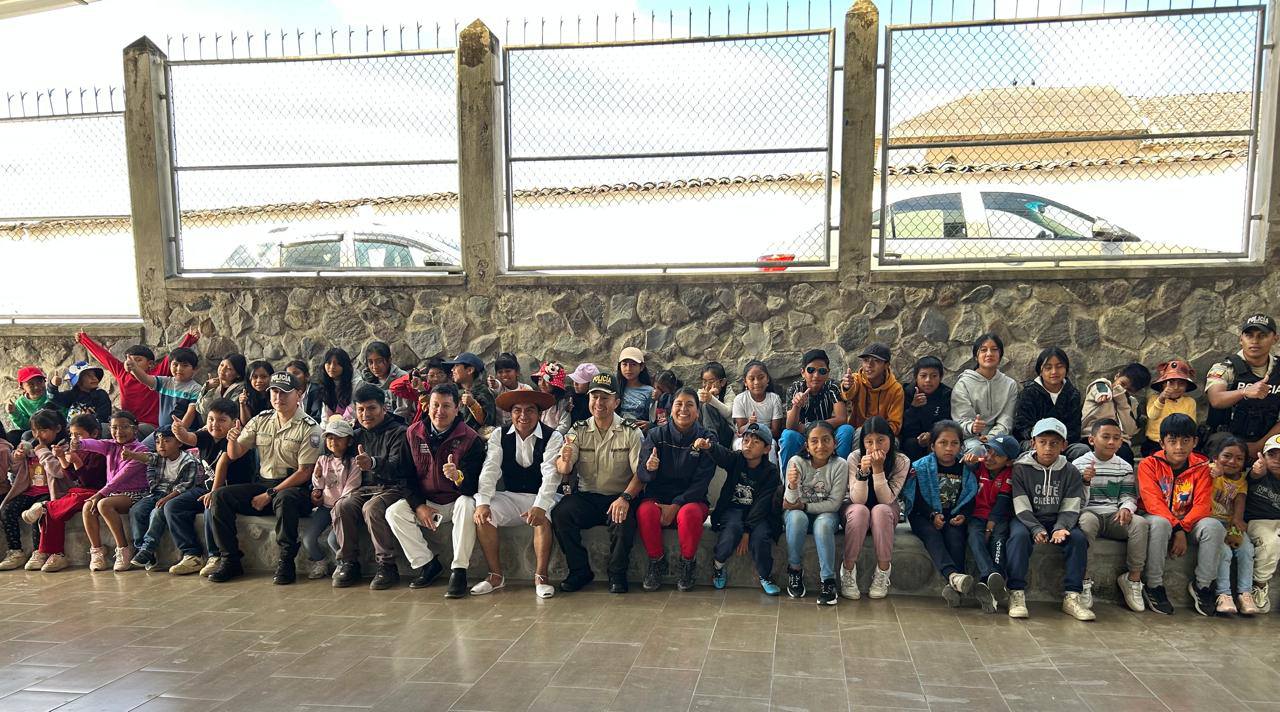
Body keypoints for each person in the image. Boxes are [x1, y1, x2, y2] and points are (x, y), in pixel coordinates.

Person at [212, 372, 324, 585]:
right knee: (221, 496)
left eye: (284, 393)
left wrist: (269, 494)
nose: (278, 397)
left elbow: (304, 472)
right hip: (264, 483)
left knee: (285, 498)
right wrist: (232, 439)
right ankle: (230, 559)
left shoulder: (310, 428)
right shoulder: (261, 420)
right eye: (274, 392)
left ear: (299, 394)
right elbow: (235, 454)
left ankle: (286, 561)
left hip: (295, 488)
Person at [458, 388, 564, 598]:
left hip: (544, 496)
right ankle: (496, 575)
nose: (523, 416)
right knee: (484, 515)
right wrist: (483, 502)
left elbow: (551, 475)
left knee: (543, 516)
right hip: (512, 495)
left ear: (539, 413)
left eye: (530, 410)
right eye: (517, 410)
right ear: (511, 413)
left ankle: (541, 577)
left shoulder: (553, 436)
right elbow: (490, 468)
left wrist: (540, 506)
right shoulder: (499, 435)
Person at [384, 383, 486, 597]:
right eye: (435, 405)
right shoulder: (412, 433)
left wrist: (458, 477)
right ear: (427, 407)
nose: (440, 411)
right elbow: (404, 476)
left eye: (446, 406)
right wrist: (419, 506)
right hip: (428, 501)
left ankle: (459, 570)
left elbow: (475, 485)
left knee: (467, 505)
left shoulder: (470, 438)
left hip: (456, 500)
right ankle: (427, 564)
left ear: (457, 408)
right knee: (394, 512)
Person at [551, 372, 643, 594]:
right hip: (588, 497)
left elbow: (640, 474)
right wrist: (564, 462)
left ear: (616, 402)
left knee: (623, 521)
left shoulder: (631, 431)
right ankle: (579, 571)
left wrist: (625, 498)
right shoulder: (578, 429)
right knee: (561, 514)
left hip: (619, 496)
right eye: (594, 397)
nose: (598, 403)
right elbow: (564, 466)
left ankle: (617, 574)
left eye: (605, 398)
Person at [1137, 413, 1224, 616]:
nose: (1179, 447)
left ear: (1195, 442)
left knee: (1214, 527)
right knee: (1160, 523)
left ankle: (1203, 586)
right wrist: (1177, 529)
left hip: (1189, 521)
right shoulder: (1148, 465)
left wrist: (1182, 528)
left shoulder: (1202, 467)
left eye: (1186, 441)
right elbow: (1153, 503)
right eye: (1172, 441)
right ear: (1162, 443)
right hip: (1157, 517)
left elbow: (1202, 505)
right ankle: (1154, 585)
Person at [1006, 418, 1093, 621]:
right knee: (1018, 537)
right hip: (1027, 518)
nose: (1048, 448)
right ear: (1033, 443)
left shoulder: (1070, 471)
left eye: (1054, 443)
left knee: (1078, 539)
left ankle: (1072, 596)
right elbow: (1020, 504)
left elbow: (1071, 505)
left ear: (1063, 445)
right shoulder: (1020, 469)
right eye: (1042, 442)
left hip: (1058, 519)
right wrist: (1035, 528)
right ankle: (1016, 592)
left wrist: (1060, 527)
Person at [333, 384, 414, 590]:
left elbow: (398, 467)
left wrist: (373, 463)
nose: (365, 414)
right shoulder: (355, 435)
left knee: (372, 508)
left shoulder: (399, 432)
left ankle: (387, 565)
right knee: (342, 506)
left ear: (383, 408)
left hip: (394, 487)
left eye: (371, 408)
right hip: (364, 489)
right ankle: (349, 563)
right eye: (360, 409)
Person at [636, 387, 717, 592]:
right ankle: (656, 561)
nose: (683, 409)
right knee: (645, 512)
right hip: (658, 498)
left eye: (690, 405)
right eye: (678, 404)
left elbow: (702, 482)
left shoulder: (706, 439)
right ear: (671, 409)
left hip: (692, 499)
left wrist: (676, 504)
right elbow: (642, 475)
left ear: (697, 411)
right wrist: (650, 468)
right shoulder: (656, 435)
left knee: (689, 514)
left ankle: (688, 564)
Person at [164, 398, 256, 576]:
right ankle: (192, 554)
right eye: (211, 419)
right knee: (173, 506)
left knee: (211, 507)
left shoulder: (238, 439)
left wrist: (213, 493)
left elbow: (223, 462)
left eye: (222, 420)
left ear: (234, 422)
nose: (215, 424)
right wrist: (179, 431)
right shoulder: (206, 435)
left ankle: (215, 555)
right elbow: (189, 438)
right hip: (207, 488)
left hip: (230, 493)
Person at [695, 423, 781, 594]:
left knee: (761, 537)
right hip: (732, 510)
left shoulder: (771, 472)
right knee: (732, 529)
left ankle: (765, 575)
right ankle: (718, 565)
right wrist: (709, 447)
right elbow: (723, 455)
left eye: (755, 442)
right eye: (746, 440)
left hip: (759, 515)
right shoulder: (736, 459)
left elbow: (762, 504)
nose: (748, 445)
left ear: (767, 449)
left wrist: (747, 531)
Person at [1073, 418, 1147, 613]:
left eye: (1116, 438)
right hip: (1090, 512)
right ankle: (1084, 580)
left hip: (1114, 516)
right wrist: (1085, 482)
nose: (1111, 442)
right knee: (1087, 521)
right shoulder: (1078, 465)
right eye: (1105, 437)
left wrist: (1126, 508)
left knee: (1140, 523)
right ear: (1092, 440)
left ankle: (1133, 579)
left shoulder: (1124, 467)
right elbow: (1075, 502)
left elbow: (1128, 495)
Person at [902, 420, 978, 608]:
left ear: (961, 446)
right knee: (932, 535)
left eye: (954, 443)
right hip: (923, 515)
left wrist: (963, 515)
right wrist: (932, 515)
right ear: (932, 445)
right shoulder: (921, 467)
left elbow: (970, 496)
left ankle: (955, 586)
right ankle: (953, 575)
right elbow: (916, 499)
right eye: (943, 443)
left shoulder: (965, 469)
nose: (949, 448)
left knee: (955, 537)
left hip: (952, 515)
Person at [25, 413, 108, 572]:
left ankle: (44, 506)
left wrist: (76, 461)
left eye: (78, 435)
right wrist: (63, 458)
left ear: (94, 433)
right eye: (72, 435)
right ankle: (55, 553)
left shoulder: (100, 452)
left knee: (63, 504)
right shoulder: (79, 450)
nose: (74, 439)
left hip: (98, 491)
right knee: (58, 508)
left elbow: (89, 481)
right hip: (79, 491)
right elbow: (72, 478)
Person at [840, 416, 911, 601]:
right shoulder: (855, 457)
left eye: (881, 440)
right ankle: (847, 570)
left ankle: (883, 572)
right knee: (860, 511)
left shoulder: (901, 460)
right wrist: (863, 473)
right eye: (869, 442)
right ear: (862, 443)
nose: (875, 447)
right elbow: (857, 500)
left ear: (891, 439)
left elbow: (886, 500)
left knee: (880, 510)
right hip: (855, 511)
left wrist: (878, 470)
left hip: (885, 511)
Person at [76, 328, 200, 429]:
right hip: (126, 424)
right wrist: (83, 339)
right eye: (129, 360)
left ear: (150, 364)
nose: (132, 363)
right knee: (101, 429)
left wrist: (189, 339)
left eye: (138, 360)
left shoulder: (158, 375)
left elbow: (174, 357)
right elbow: (105, 357)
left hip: (149, 426)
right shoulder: (122, 372)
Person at [76, 410, 151, 572]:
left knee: (104, 504)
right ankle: (97, 551)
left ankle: (123, 549)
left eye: (124, 427)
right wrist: (79, 444)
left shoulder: (141, 450)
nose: (119, 432)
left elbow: (121, 477)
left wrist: (100, 493)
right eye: (114, 427)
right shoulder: (110, 445)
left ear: (135, 429)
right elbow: (93, 444)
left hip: (136, 493)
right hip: (112, 493)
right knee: (88, 506)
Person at [782, 421, 848, 605]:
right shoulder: (796, 462)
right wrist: (792, 485)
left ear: (835, 443)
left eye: (826, 440)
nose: (820, 446)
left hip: (826, 513)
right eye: (814, 441)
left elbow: (834, 504)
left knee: (823, 524)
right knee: (796, 518)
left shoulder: (840, 465)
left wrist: (805, 506)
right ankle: (794, 570)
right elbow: (790, 503)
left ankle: (828, 580)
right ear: (807, 446)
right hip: (797, 513)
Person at [121, 426, 203, 571]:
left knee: (157, 512)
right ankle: (143, 551)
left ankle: (148, 548)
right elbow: (147, 457)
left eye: (167, 441)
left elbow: (186, 486)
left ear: (179, 442)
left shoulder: (189, 461)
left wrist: (167, 498)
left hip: (176, 495)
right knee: (137, 510)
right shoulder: (159, 458)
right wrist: (132, 455)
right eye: (158, 442)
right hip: (157, 493)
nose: (161, 445)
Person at [1205, 314, 1280, 457]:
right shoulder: (1224, 368)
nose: (1255, 341)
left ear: (1275, 339)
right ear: (1241, 339)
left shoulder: (1278, 370)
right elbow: (1216, 399)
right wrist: (1245, 392)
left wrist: (1260, 445)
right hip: (1226, 444)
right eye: (1249, 335)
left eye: (1262, 336)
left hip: (1268, 442)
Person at [0, 410, 65, 570]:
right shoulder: (30, 447)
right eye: (35, 431)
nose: (38, 435)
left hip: (50, 493)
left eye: (43, 430)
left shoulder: (61, 447)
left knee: (37, 512)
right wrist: (17, 458)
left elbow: (59, 471)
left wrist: (42, 451)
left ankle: (39, 552)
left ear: (57, 429)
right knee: (7, 510)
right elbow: (16, 470)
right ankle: (16, 551)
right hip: (30, 491)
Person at [964, 434, 1020, 613]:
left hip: (999, 517)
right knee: (975, 537)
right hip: (977, 516)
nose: (989, 457)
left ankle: (989, 581)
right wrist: (969, 461)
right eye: (988, 451)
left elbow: (1003, 501)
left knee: (998, 541)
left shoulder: (1009, 473)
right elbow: (965, 466)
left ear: (1009, 461)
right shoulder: (979, 466)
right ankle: (990, 575)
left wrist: (991, 524)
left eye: (998, 455)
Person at [780, 349, 854, 470]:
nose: (816, 375)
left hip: (826, 434)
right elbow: (790, 426)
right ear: (803, 372)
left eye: (822, 371)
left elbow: (842, 418)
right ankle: (789, 478)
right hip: (802, 437)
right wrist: (797, 406)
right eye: (811, 370)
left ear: (828, 373)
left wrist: (810, 427)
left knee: (846, 430)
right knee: (788, 436)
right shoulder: (795, 388)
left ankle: (839, 473)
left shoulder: (832, 386)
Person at [306, 417, 359, 581]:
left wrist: (339, 505)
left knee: (333, 540)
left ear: (349, 441)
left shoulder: (353, 463)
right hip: (325, 507)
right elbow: (319, 486)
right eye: (329, 437)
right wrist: (317, 481)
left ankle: (344, 564)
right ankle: (320, 561)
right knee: (308, 539)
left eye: (338, 437)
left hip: (342, 510)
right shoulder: (323, 460)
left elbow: (351, 487)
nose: (333, 441)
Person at [1208, 436, 1256, 615]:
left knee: (1247, 550)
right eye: (1227, 456)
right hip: (1211, 522)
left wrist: (1237, 521)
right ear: (1216, 457)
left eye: (1239, 458)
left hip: (1230, 523)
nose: (1232, 462)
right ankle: (1223, 594)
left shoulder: (1242, 481)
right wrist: (1212, 472)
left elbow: (1240, 500)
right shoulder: (1210, 472)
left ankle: (1245, 593)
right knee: (1225, 552)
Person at [1013, 347, 1088, 460]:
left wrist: (1057, 443)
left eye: (1059, 367)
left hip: (1062, 444)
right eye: (1048, 368)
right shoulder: (1029, 393)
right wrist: (1044, 440)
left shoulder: (1072, 394)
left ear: (1066, 369)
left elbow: (1074, 429)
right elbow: (1022, 426)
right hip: (1036, 442)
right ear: (1040, 371)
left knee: (1082, 450)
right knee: (1032, 449)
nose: (1054, 372)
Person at [952, 333, 1018, 456]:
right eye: (983, 350)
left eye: (994, 350)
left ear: (1000, 355)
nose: (989, 354)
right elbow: (960, 420)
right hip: (971, 438)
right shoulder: (963, 384)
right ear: (976, 357)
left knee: (1011, 448)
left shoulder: (1010, 385)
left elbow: (1006, 420)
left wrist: (990, 437)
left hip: (999, 438)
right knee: (978, 450)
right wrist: (972, 427)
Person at [1081, 362, 1151, 466]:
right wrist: (1104, 395)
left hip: (1118, 443)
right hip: (1091, 437)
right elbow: (1100, 389)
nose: (1123, 390)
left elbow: (1130, 430)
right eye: (1122, 384)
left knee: (1125, 453)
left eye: (1129, 390)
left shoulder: (1132, 403)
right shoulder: (1102, 386)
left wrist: (1122, 401)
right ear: (1117, 376)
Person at [125, 346, 202, 440]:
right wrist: (134, 368)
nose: (179, 369)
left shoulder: (196, 388)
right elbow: (145, 378)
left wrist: (181, 432)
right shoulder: (164, 382)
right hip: (162, 431)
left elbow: (191, 413)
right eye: (175, 365)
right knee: (142, 447)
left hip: (183, 433)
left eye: (184, 365)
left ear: (194, 369)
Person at [1245, 434, 1280, 613]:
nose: (1277, 460)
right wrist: (1256, 471)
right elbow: (1253, 476)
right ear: (1263, 456)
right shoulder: (1260, 473)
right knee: (1271, 544)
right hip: (1259, 521)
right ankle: (1259, 585)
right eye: (1272, 454)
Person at [839, 343, 904, 436]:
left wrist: (876, 435)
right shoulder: (856, 379)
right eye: (866, 360)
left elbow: (895, 424)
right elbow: (848, 394)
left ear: (886, 365)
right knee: (851, 432)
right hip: (857, 432)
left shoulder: (896, 389)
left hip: (884, 435)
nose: (869, 365)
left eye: (876, 361)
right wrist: (847, 387)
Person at [731, 359, 785, 462]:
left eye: (761, 378)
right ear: (745, 382)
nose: (756, 382)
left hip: (766, 436)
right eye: (752, 379)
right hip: (744, 437)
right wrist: (749, 425)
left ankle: (771, 471)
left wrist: (758, 431)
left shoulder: (774, 399)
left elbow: (775, 431)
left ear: (767, 379)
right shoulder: (740, 399)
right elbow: (741, 429)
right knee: (740, 446)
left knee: (770, 446)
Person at [1142, 360, 1199, 457]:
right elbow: (1152, 415)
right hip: (1156, 443)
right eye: (1171, 382)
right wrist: (1162, 398)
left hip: (1180, 444)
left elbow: (1190, 426)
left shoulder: (1189, 402)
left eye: (1181, 383)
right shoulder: (1154, 399)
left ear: (1186, 386)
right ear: (1163, 384)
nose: (1176, 387)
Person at [900, 356, 952, 462]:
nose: (928, 380)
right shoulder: (906, 392)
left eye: (934, 376)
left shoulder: (946, 394)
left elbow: (946, 422)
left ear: (941, 377)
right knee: (911, 444)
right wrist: (914, 407)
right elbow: (903, 427)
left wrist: (932, 434)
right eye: (923, 376)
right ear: (916, 377)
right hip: (912, 440)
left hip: (937, 437)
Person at [356, 341, 413, 421]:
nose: (374, 367)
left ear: (389, 360)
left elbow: (403, 411)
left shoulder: (402, 379)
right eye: (371, 362)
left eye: (379, 361)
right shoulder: (366, 380)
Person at [442, 352, 497, 431]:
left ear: (470, 370)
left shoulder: (483, 392)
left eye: (456, 365)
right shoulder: (451, 391)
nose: (452, 369)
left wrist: (472, 404)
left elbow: (488, 422)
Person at [6, 367, 56, 444]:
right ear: (22, 387)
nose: (37, 387)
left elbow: (63, 413)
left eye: (40, 382)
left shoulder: (51, 394)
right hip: (36, 433)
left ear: (45, 381)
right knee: (14, 435)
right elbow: (25, 426)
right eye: (31, 384)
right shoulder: (20, 403)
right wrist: (14, 413)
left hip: (54, 429)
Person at [193, 354, 246, 424]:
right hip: (209, 425)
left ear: (238, 374)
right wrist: (208, 389)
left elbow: (227, 411)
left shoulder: (241, 389)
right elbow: (201, 409)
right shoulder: (210, 384)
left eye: (229, 369)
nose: (222, 370)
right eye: (221, 365)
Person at [697, 362, 736, 448]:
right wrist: (702, 400)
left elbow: (727, 412)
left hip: (725, 434)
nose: (707, 385)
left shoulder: (729, 393)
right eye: (704, 381)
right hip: (702, 432)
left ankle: (711, 441)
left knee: (707, 406)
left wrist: (711, 399)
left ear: (723, 382)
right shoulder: (701, 393)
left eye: (711, 382)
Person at [487, 352, 532, 428]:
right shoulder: (500, 388)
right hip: (501, 429)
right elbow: (496, 385)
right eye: (500, 372)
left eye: (508, 371)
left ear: (517, 372)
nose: (504, 375)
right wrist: (492, 383)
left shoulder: (526, 389)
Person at [616, 347, 654, 426]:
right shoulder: (614, 387)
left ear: (642, 367)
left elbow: (654, 418)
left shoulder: (649, 391)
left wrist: (650, 425)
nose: (628, 368)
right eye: (624, 364)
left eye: (633, 364)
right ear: (620, 366)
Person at [533, 362, 573, 434]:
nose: (542, 384)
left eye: (547, 381)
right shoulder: (536, 399)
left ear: (556, 386)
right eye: (540, 379)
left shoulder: (563, 403)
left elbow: (564, 425)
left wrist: (552, 436)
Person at [317, 347, 355, 420]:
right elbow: (325, 414)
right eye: (329, 363)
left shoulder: (355, 383)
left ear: (344, 366)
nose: (332, 367)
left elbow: (353, 410)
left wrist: (338, 424)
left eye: (337, 364)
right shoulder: (326, 383)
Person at [239, 360, 275, 424]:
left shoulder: (277, 394)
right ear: (249, 379)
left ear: (271, 377)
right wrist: (242, 404)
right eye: (255, 377)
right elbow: (246, 423)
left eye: (264, 377)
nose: (259, 380)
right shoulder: (246, 396)